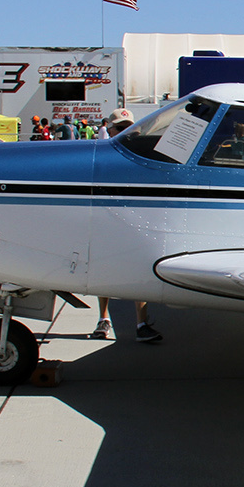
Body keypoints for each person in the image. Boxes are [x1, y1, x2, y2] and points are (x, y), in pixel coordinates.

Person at [91, 109, 161, 343]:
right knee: (103, 270)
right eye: (120, 128)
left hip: (133, 218)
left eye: (130, 128)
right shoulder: (98, 154)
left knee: (139, 271)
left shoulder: (139, 152)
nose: (126, 133)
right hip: (106, 218)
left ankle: (141, 323)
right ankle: (103, 320)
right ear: (108, 129)